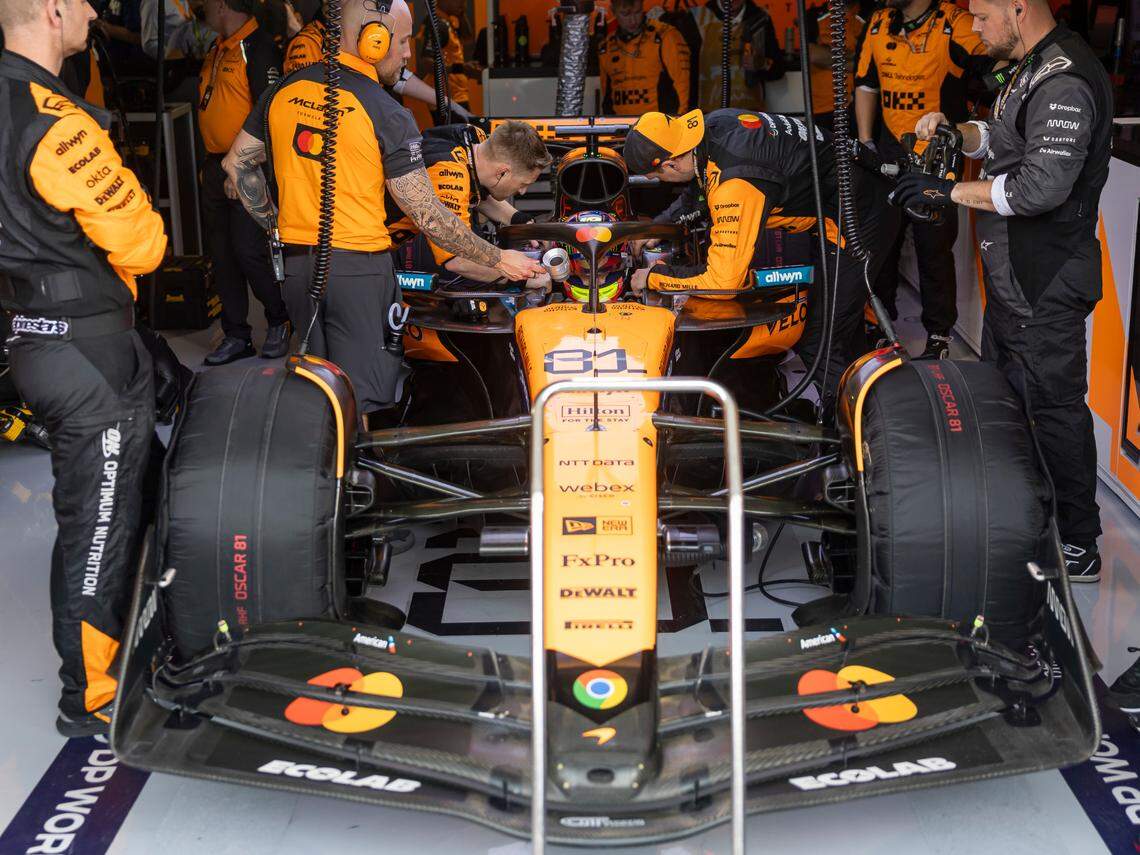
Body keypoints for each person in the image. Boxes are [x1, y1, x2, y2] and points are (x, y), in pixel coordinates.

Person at [223, 0, 542, 419]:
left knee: (317, 390)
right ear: (373, 39)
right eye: (403, 41)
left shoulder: (283, 90)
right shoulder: (387, 111)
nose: (408, 54)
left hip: (296, 268)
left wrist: (274, 227)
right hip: (361, 272)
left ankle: (326, 461)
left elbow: (236, 165)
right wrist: (499, 259)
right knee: (363, 401)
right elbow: (427, 215)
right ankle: (361, 462)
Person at [896, 0, 1111, 581]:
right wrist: (959, 133)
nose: (973, 27)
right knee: (1006, 403)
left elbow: (1040, 187)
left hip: (1046, 282)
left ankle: (1080, 543)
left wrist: (947, 193)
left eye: (983, 16)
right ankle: (1024, 518)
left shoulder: (1064, 79)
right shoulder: (1028, 64)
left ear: (1018, 8)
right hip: (1012, 278)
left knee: (1055, 410)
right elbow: (1002, 137)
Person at [0, 0, 167, 735]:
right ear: (52, 11)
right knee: (100, 525)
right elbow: (144, 246)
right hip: (88, 354)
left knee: (112, 501)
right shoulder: (59, 124)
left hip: (32, 340)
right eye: (84, 0)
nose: (96, 11)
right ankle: (92, 696)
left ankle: (138, 641)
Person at [623, 108, 895, 414]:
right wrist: (658, 227)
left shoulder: (735, 183)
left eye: (658, 176)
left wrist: (655, 276)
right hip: (853, 194)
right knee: (843, 324)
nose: (662, 181)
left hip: (860, 217)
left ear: (670, 163)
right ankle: (873, 400)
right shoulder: (715, 126)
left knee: (822, 339)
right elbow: (700, 187)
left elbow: (724, 282)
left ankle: (854, 429)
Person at [855, 0, 991, 359]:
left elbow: (1002, 66)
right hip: (888, 151)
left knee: (934, 248)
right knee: (879, 244)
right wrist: (866, 142)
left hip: (936, 157)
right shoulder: (878, 23)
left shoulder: (956, 22)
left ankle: (939, 336)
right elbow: (866, 85)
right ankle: (879, 325)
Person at [196, 0, 291, 364]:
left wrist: (243, 166)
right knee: (221, 254)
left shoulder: (259, 48)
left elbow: (271, 116)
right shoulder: (217, 48)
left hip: (248, 165)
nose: (201, 7)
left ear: (222, 4)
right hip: (214, 165)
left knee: (249, 251)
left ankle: (279, 319)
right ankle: (236, 334)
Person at [387, 120, 553, 283]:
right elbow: (458, 260)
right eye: (523, 184)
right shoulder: (449, 174)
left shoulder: (475, 140)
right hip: (378, 250)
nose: (523, 191)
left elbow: (474, 191)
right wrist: (525, 278)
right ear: (502, 172)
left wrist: (521, 222)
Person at [284, 5, 471, 117]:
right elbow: (304, 107)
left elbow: (398, 76)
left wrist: (447, 103)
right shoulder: (308, 43)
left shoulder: (365, 36)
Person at [681, 0, 784, 113]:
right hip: (706, 112)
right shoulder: (696, 18)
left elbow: (778, 69)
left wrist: (760, 63)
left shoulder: (760, 19)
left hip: (750, 112)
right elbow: (683, 72)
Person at [599, 0, 690, 116]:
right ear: (613, 11)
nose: (633, 20)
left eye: (637, 12)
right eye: (625, 14)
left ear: (642, 6)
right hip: (620, 122)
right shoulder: (606, 46)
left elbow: (682, 85)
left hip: (658, 122)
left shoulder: (665, 36)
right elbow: (606, 94)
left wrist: (678, 120)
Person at [805, 1, 863, 134]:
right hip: (823, 108)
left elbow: (873, 62)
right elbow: (813, 55)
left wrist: (829, 55)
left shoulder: (870, 14)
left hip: (862, 105)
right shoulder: (814, 16)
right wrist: (854, 56)